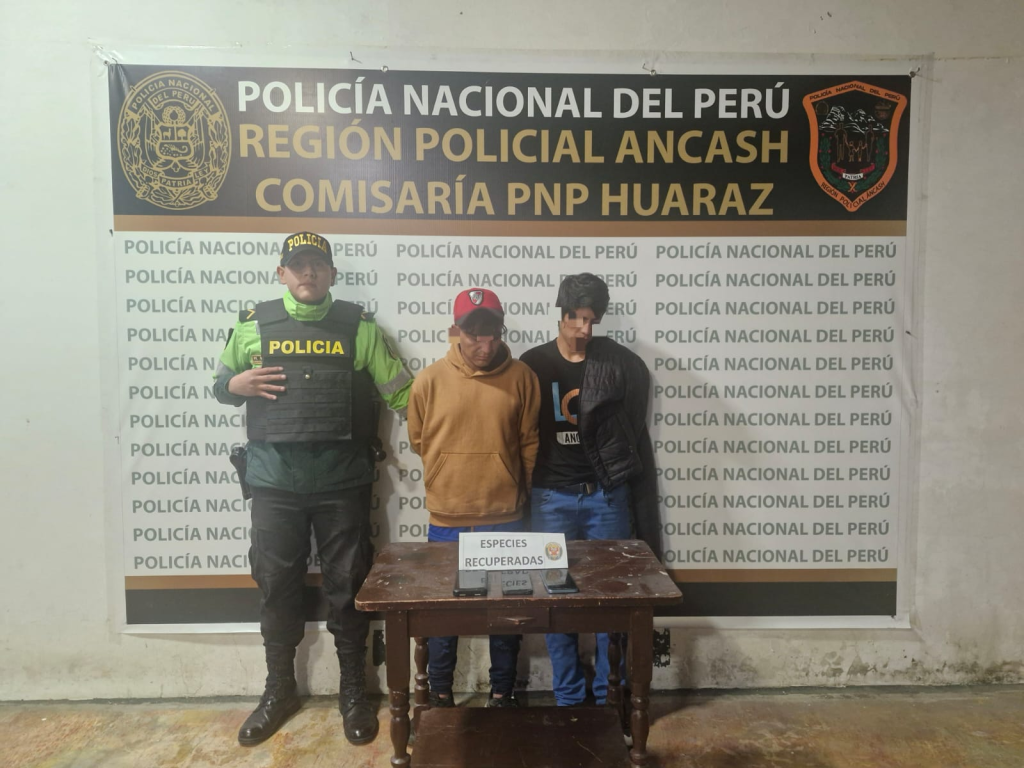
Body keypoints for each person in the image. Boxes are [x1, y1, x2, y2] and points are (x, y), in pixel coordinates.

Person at [212, 231, 412, 746]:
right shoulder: (252, 324)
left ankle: (353, 691)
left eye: (317, 265)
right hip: (273, 482)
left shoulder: (358, 327)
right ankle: (279, 690)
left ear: (332, 274)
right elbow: (221, 385)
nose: (308, 272)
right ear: (281, 273)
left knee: (348, 587)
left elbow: (403, 394)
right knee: (276, 586)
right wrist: (232, 386)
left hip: (341, 481)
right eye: (298, 264)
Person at [520, 273, 661, 707]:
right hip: (550, 498)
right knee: (555, 599)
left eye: (591, 319)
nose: (583, 328)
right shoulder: (532, 364)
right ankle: (567, 695)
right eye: (576, 318)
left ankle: (607, 696)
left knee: (611, 599)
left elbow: (632, 434)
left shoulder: (621, 364)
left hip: (604, 496)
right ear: (560, 312)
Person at [407, 288, 540, 709]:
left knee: (508, 613)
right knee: (443, 613)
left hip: (505, 515)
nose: (484, 345)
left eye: (492, 334)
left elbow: (529, 443)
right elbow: (419, 440)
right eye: (473, 334)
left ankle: (503, 693)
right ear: (456, 332)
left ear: (501, 332)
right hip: (447, 519)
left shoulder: (522, 377)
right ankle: (440, 694)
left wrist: (515, 489)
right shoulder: (429, 381)